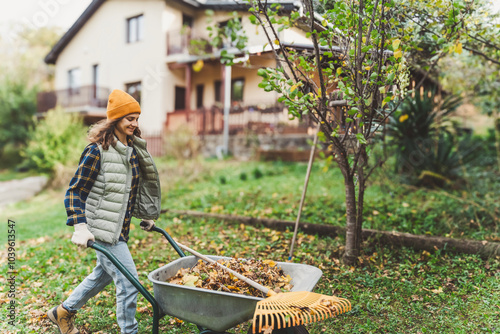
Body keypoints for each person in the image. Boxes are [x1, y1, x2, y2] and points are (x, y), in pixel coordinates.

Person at [47, 89, 161, 334]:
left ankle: (63, 312)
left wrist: (146, 215)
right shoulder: (96, 151)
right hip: (101, 228)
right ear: (116, 119)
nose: (135, 123)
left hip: (118, 227)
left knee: (104, 274)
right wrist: (80, 226)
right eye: (129, 118)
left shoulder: (130, 150)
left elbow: (129, 189)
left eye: (137, 118)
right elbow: (75, 192)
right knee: (130, 283)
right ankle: (129, 331)